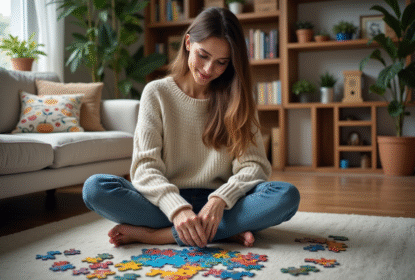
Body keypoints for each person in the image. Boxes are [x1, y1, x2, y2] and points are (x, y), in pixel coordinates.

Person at [82, 7, 300, 248]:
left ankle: (158, 236)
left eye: (221, 62)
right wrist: (177, 209)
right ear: (188, 42)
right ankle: (224, 231)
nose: (208, 70)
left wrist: (219, 200)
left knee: (285, 196)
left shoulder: (238, 97)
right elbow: (145, 167)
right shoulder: (157, 93)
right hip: (164, 203)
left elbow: (254, 165)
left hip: (222, 205)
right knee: (95, 188)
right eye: (203, 55)